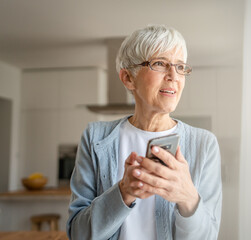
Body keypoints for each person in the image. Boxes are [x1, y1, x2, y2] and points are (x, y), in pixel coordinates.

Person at [66, 25, 222, 240]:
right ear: (128, 78)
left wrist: (188, 198)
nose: (173, 76)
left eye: (180, 66)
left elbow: (208, 237)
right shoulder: (96, 137)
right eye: (159, 63)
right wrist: (123, 192)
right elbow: (78, 234)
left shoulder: (204, 144)